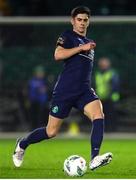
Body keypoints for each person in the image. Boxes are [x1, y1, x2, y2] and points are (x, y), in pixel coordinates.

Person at [12, 6, 113, 170]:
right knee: (51, 132)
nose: (82, 23)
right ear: (73, 21)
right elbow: (57, 55)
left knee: (99, 115)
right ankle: (22, 144)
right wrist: (81, 48)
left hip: (84, 90)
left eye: (85, 20)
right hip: (65, 91)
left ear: (89, 22)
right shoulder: (68, 36)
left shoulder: (89, 42)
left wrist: (85, 47)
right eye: (79, 19)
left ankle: (94, 158)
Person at [94, 57, 120, 132]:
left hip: (110, 98)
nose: (103, 65)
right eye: (102, 64)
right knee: (100, 115)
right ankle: (102, 129)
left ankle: (111, 130)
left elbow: (116, 85)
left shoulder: (112, 73)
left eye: (105, 64)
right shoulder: (97, 74)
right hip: (98, 98)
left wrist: (114, 95)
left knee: (110, 114)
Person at [27, 65, 49, 130]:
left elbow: (45, 91)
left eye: (41, 72)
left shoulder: (44, 81)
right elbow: (31, 92)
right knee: (34, 117)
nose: (41, 74)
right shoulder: (32, 81)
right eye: (39, 73)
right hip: (34, 102)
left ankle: (41, 129)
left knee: (42, 117)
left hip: (42, 103)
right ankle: (33, 129)